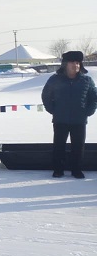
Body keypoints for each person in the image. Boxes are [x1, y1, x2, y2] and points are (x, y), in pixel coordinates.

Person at [41, 50, 97, 179]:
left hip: (79, 120)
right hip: (60, 119)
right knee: (59, 146)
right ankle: (58, 169)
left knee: (78, 147)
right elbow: (46, 95)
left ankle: (76, 170)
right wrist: (52, 110)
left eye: (78, 63)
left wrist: (89, 111)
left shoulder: (87, 80)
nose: (75, 65)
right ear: (65, 64)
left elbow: (94, 98)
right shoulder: (55, 80)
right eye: (72, 62)